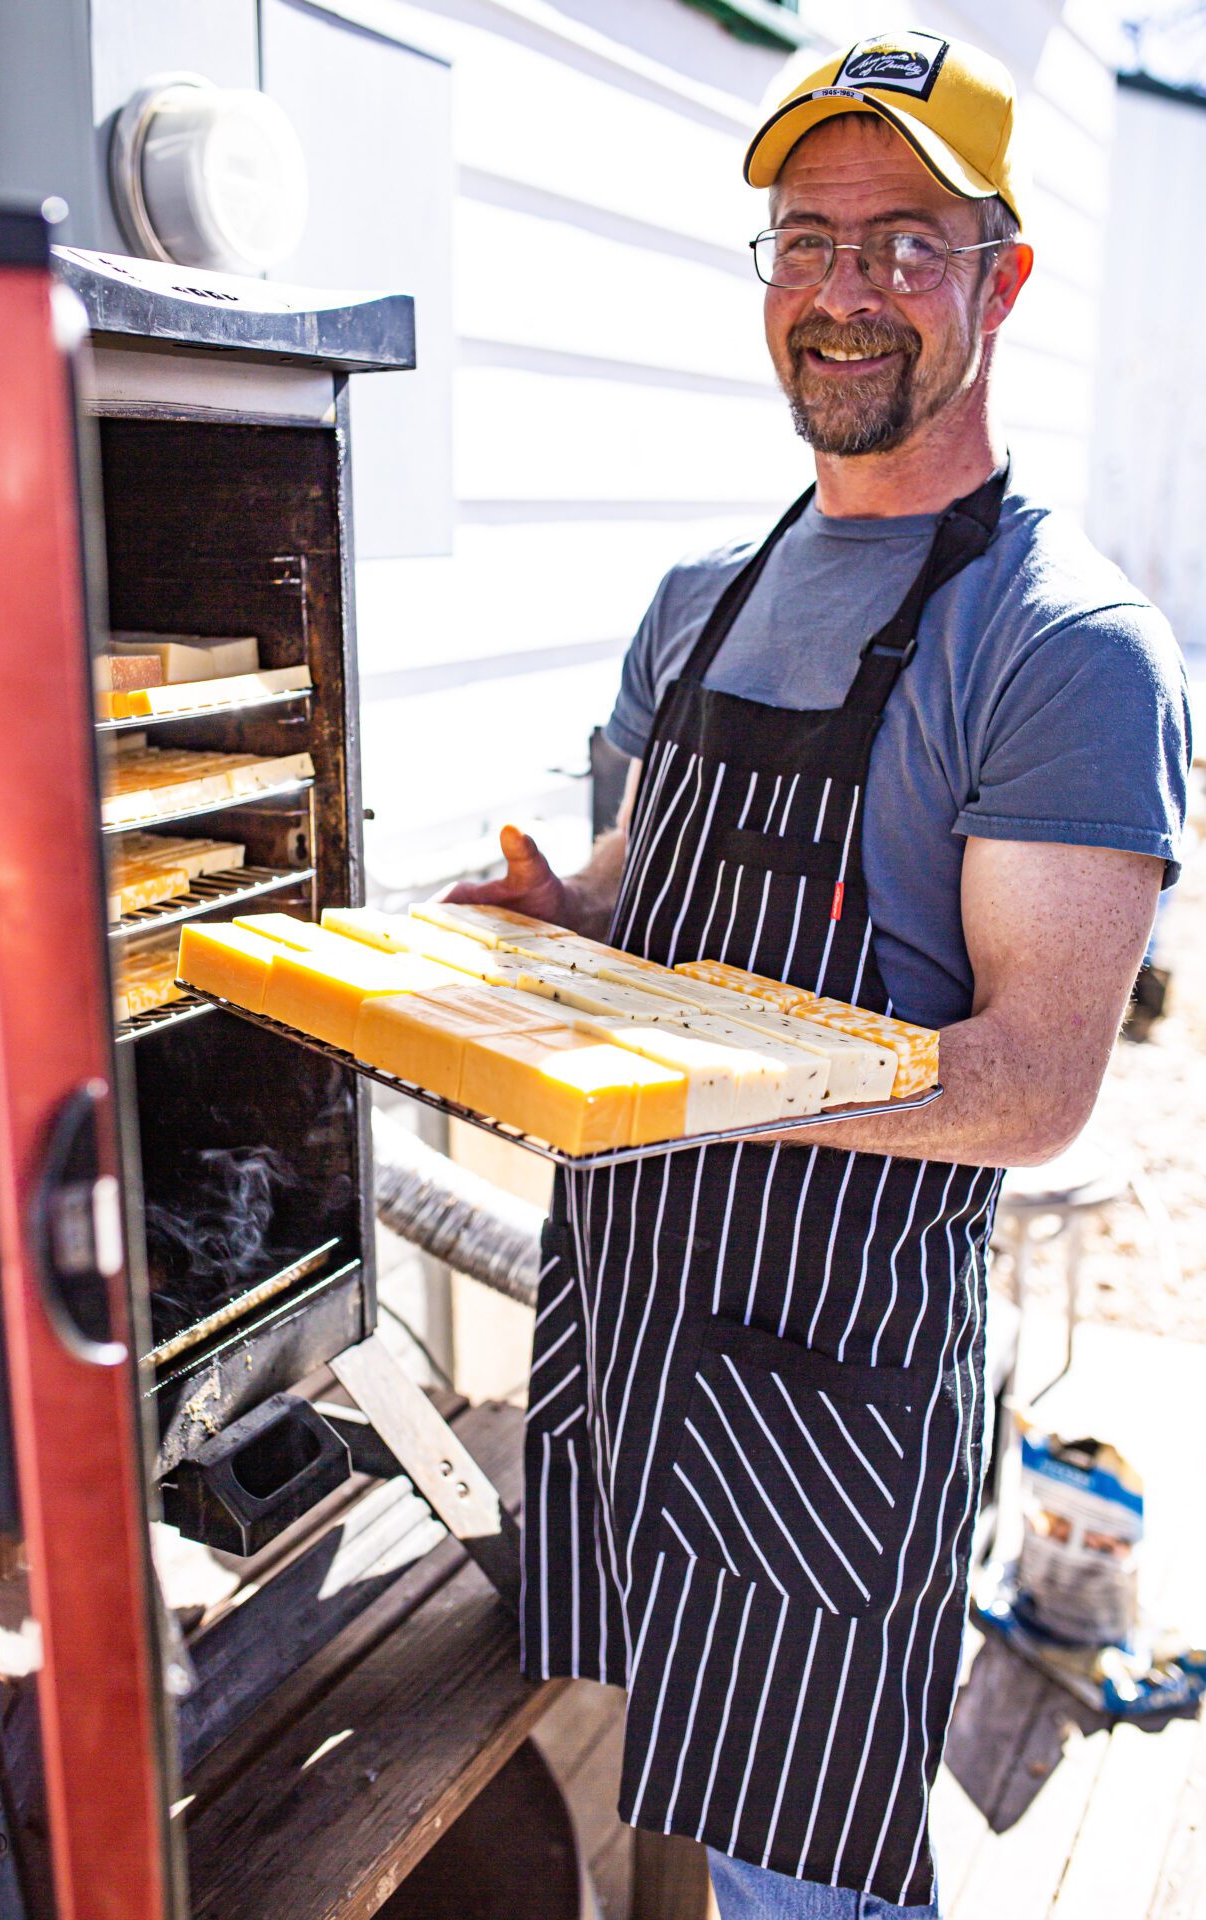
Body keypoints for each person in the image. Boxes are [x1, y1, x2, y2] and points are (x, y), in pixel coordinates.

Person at [447, 29, 1190, 1919]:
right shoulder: (697, 598)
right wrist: (554, 926)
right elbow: (637, 890)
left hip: (823, 1390)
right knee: (675, 1792)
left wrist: (685, 1074)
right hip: (628, 1329)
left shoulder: (1064, 647)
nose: (844, 290)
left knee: (813, 1879)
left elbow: (1031, 1085)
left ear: (1002, 280)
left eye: (906, 245)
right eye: (806, 241)